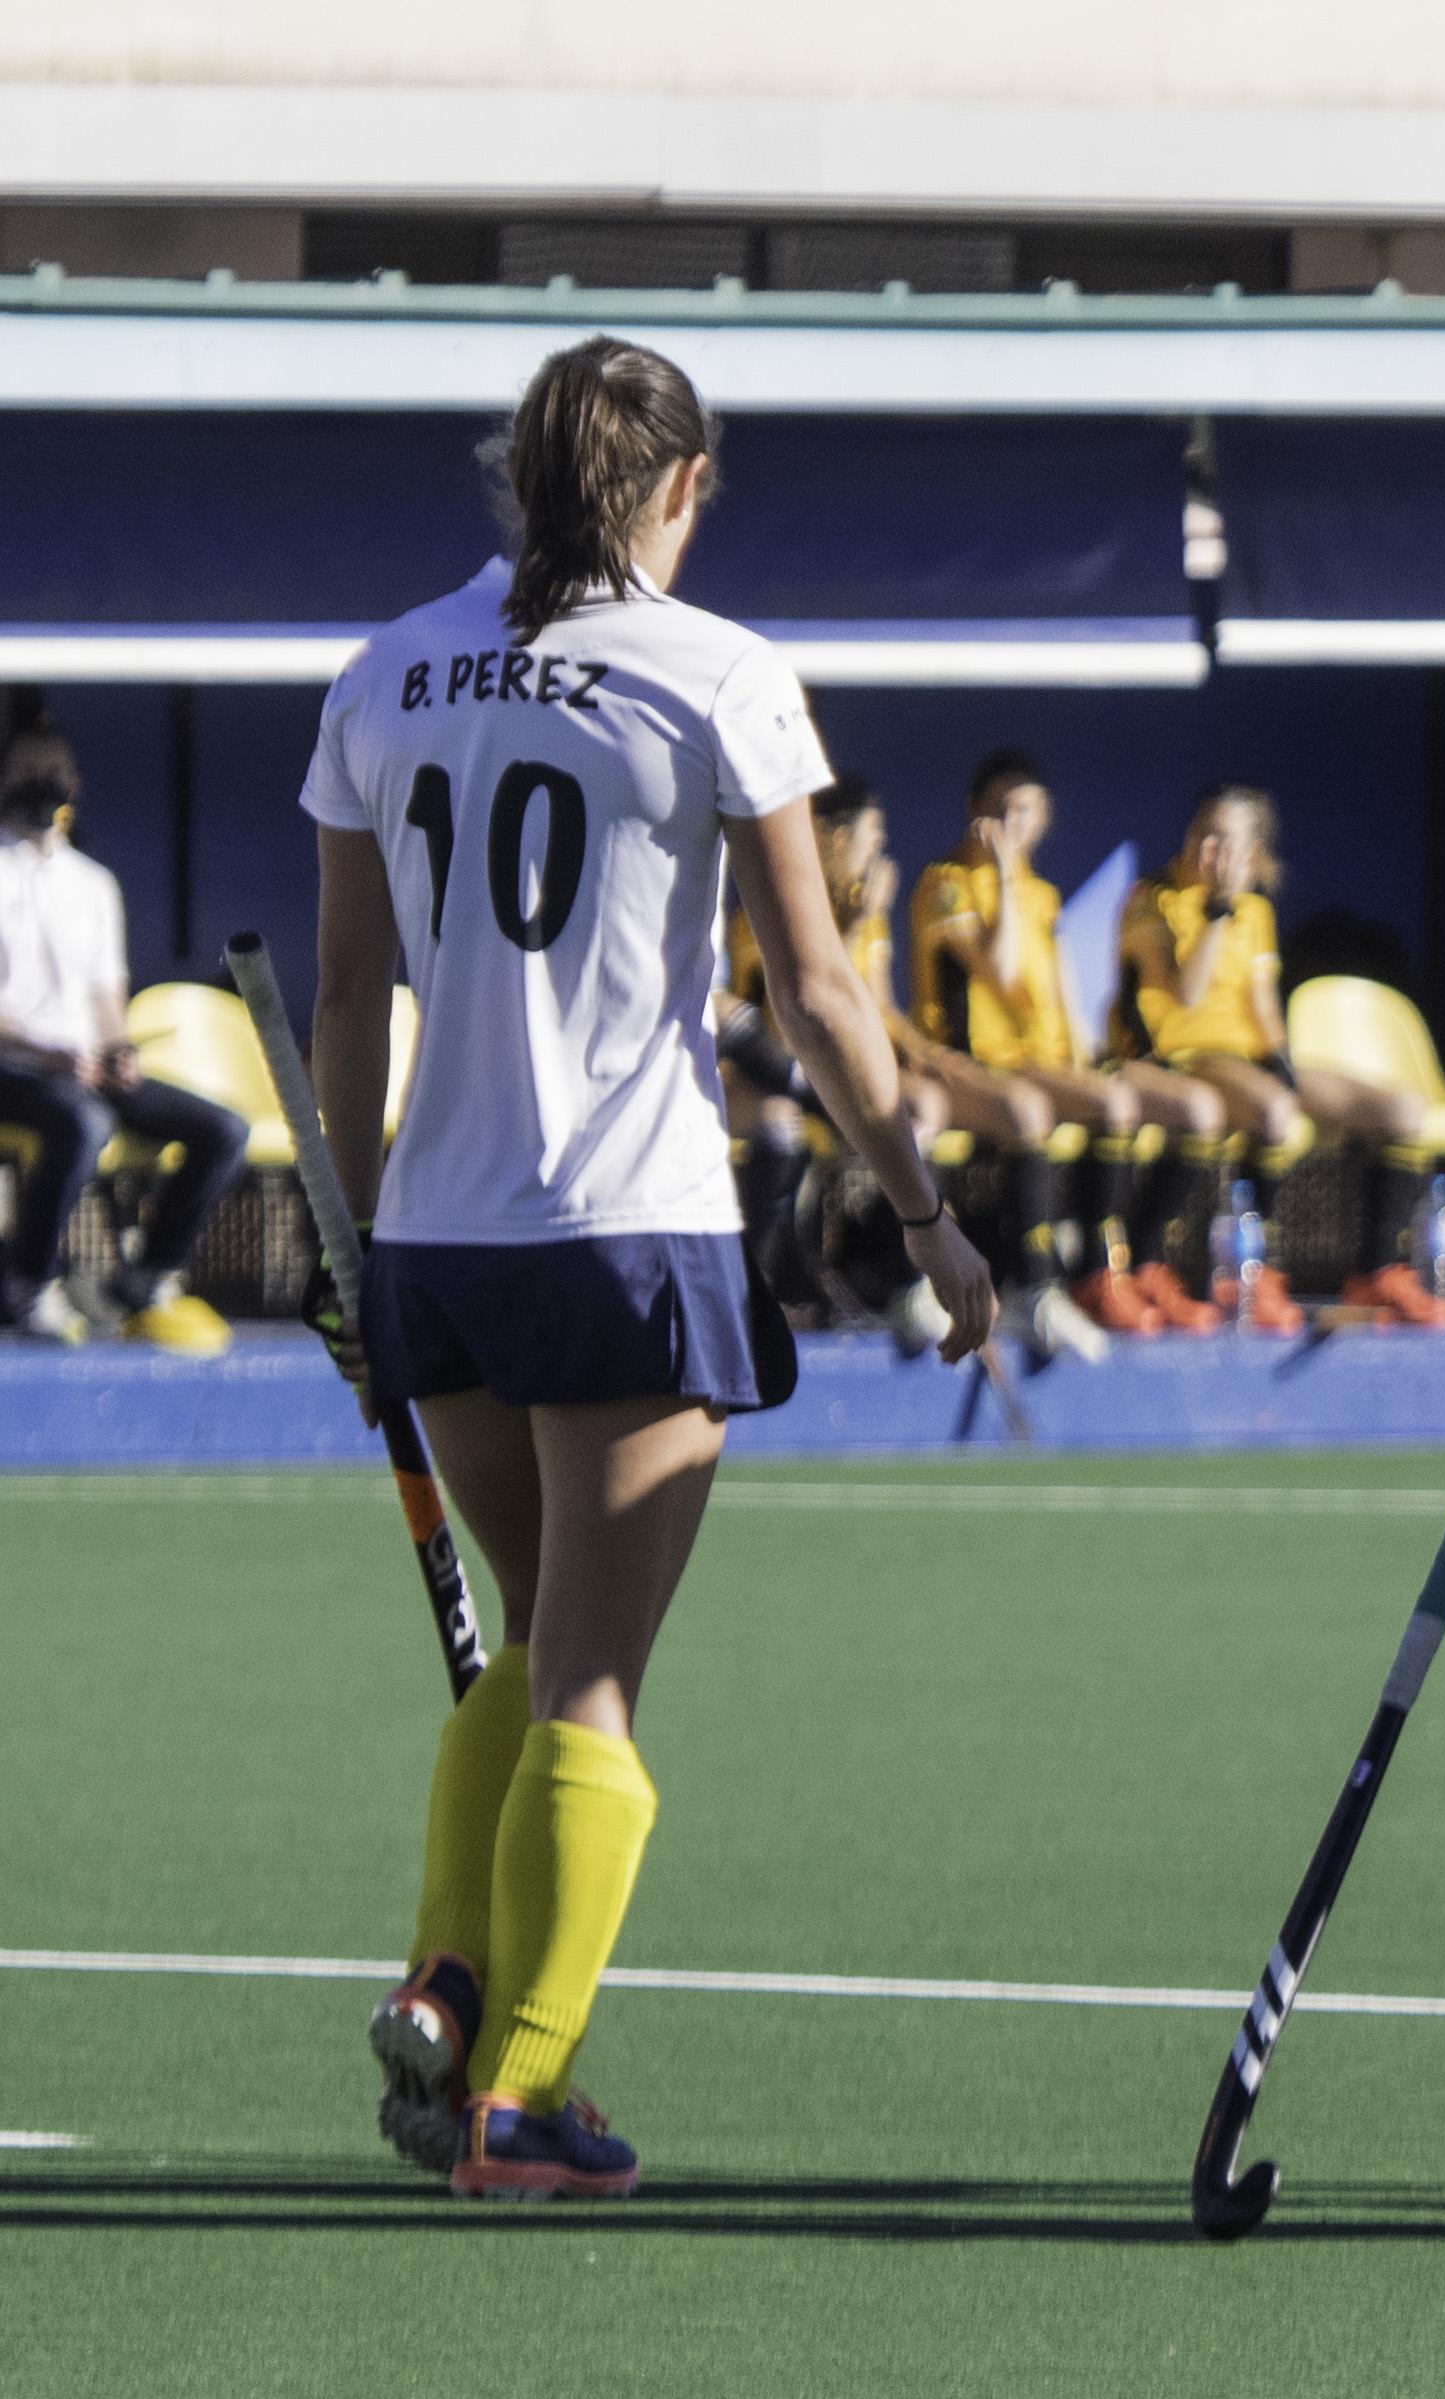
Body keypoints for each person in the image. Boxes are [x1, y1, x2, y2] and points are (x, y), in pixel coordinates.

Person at [298, 335, 997, 2201]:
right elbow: (826, 995)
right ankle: (521, 2097)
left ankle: (457, 1976)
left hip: (439, 1245)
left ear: (509, 484)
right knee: (591, 1680)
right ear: (678, 487)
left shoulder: (380, 672)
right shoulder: (717, 673)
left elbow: (345, 1013)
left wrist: (352, 1249)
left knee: (534, 1655)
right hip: (623, 1230)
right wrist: (922, 1213)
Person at [908, 750, 1222, 1334]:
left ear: (1045, 815)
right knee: (1074, 1109)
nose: (1011, 821)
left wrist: (1088, 1057)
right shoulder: (947, 883)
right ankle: (1055, 1280)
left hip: (1045, 1061)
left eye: (1024, 808)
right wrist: (1000, 875)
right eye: (998, 808)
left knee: (1146, 1104)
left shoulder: (1043, 894)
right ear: (973, 812)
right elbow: (999, 976)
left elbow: (1060, 992)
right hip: (981, 1063)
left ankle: (1116, 1270)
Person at [721, 776, 1037, 1358]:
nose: (879, 850)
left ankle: (912, 1275)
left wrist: (924, 1051)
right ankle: (791, 1280)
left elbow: (880, 1008)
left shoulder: (866, 912)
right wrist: (854, 923)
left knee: (928, 1101)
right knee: (806, 1113)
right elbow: (795, 1013)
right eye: (871, 837)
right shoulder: (769, 915)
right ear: (832, 839)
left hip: (833, 1071)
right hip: (773, 1076)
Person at [1118, 782, 1445, 1332]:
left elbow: (1263, 1004)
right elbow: (1185, 996)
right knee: (1273, 1113)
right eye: (1201, 834)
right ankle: (1248, 1275)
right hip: (1175, 1055)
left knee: (1403, 1112)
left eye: (1225, 842)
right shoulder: (1151, 898)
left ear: (1253, 853)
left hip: (1243, 1060)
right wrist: (1218, 911)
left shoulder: (1254, 911)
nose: (1207, 852)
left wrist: (1282, 1061)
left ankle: (1376, 1273)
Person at [0, 721, 248, 1356]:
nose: (44, 784)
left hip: (82, 1067)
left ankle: (144, 1279)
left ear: (75, 785)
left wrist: (119, 1051)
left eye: (55, 771)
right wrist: (45, 1050)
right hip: (15, 1066)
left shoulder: (93, 884)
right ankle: (27, 1284)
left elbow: (106, 995)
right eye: (28, 770)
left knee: (224, 1129)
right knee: (82, 1123)